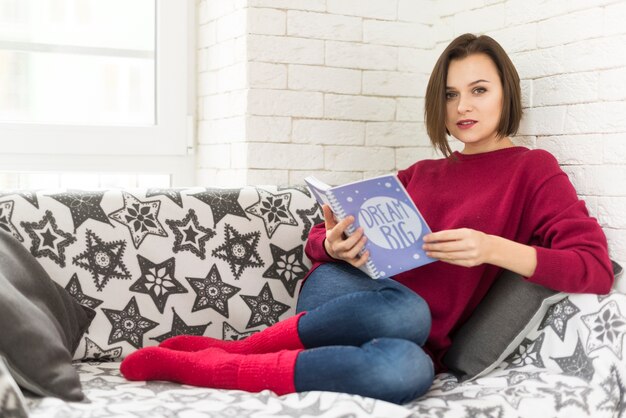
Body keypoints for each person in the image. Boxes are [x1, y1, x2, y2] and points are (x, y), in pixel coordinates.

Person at [119, 33, 614, 405]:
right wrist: (332, 246)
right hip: (344, 293)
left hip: (415, 336)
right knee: (406, 310)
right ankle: (237, 353)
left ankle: (219, 364)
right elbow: (321, 236)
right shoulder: (421, 173)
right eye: (448, 94)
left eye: (479, 89)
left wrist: (491, 249)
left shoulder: (533, 171)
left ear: (506, 92)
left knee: (404, 374)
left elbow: (591, 266)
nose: (462, 106)